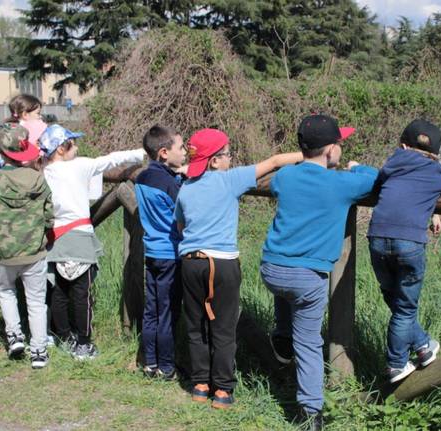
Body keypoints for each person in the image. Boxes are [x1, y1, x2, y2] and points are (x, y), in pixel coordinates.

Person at [259, 114, 378, 429]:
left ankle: (282, 335)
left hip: (271, 267)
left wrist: (305, 156)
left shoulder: (285, 178)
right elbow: (377, 177)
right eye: (340, 143)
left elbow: (281, 168)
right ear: (330, 151)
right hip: (308, 277)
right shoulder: (343, 183)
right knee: (309, 342)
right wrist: (355, 167)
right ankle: (311, 413)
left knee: (285, 290)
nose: (341, 147)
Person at [175, 128, 302, 409]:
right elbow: (276, 161)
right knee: (224, 328)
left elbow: (181, 226)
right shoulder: (230, 180)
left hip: (191, 262)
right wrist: (313, 154)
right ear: (214, 161)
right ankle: (222, 390)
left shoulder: (186, 187)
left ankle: (199, 385)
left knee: (196, 327)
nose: (231, 158)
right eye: (228, 154)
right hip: (221, 263)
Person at [368, 119, 441, 383]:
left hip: (377, 239)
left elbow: (381, 185)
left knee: (395, 300)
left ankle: (422, 345)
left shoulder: (390, 165)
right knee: (405, 309)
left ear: (403, 145)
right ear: (436, 154)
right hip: (409, 243)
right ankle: (396, 364)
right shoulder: (437, 171)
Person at [39, 124, 145, 360]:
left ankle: (64, 337)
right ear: (60, 149)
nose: (76, 146)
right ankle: (84, 343)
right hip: (79, 237)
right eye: (72, 143)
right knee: (81, 293)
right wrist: (140, 153)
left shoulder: (43, 171)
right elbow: (110, 160)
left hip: (55, 238)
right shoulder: (80, 166)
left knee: (59, 291)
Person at [0, 123, 54, 368]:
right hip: (34, 251)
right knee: (36, 301)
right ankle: (39, 352)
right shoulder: (38, 180)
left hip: (3, 252)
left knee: (6, 292)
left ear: (1, 152)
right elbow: (49, 217)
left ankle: (14, 337)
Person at [135, 125, 186, 380]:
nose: (185, 152)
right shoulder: (169, 183)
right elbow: (182, 212)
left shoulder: (143, 177)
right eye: (181, 148)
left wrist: (177, 176)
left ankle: (149, 362)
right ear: (164, 152)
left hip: (151, 251)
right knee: (167, 312)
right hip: (170, 253)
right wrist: (180, 180)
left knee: (151, 309)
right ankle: (167, 367)